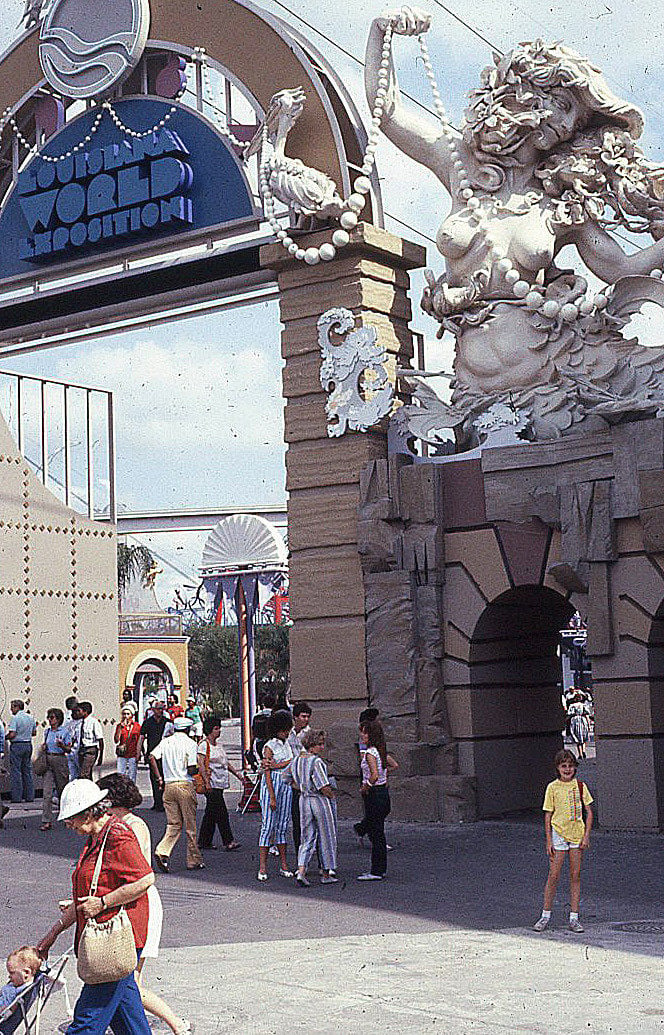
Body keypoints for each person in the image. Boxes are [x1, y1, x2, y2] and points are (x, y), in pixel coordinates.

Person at [365, 12, 664, 443]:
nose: (564, 126)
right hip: (474, 390)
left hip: (557, 373)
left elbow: (619, 269)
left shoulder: (563, 202)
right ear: (524, 92)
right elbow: (387, 110)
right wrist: (381, 33)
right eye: (561, 106)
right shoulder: (460, 167)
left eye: (576, 122)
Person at [35, 779, 154, 1035]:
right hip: (107, 938)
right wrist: (52, 934)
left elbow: (145, 879)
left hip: (116, 940)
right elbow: (85, 896)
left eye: (71, 819)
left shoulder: (117, 834)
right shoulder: (95, 837)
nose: (68, 824)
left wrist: (102, 902)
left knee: (86, 1022)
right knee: (130, 1021)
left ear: (88, 813)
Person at [97, 774, 191, 1035]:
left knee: (130, 981)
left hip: (139, 904)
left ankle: (176, 1025)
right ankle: (169, 1026)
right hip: (125, 902)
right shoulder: (115, 825)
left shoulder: (132, 825)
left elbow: (133, 873)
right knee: (127, 981)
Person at [534, 749, 594, 933]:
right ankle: (545, 915)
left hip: (576, 834)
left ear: (575, 767)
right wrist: (548, 840)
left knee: (575, 875)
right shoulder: (552, 787)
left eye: (570, 766)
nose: (567, 769)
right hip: (559, 834)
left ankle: (574, 917)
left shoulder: (581, 786)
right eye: (563, 766)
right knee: (554, 875)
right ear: (558, 768)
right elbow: (548, 814)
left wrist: (586, 836)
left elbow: (589, 812)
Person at [150, 716, 204, 872]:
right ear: (187, 729)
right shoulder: (191, 744)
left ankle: (162, 850)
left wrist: (159, 777)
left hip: (169, 785)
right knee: (190, 825)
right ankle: (193, 859)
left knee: (174, 824)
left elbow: (152, 757)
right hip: (184, 785)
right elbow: (191, 768)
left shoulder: (166, 742)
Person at [288, 730, 338, 887]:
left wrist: (301, 786)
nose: (322, 747)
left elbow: (286, 778)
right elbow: (323, 785)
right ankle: (326, 872)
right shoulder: (316, 762)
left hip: (303, 799)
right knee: (326, 835)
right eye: (319, 744)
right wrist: (331, 796)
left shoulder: (296, 760)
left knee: (307, 836)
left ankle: (301, 870)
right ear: (312, 745)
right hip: (318, 799)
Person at [357, 720, 398, 881]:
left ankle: (376, 870)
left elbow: (373, 775)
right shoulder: (380, 751)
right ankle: (380, 868)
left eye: (365, 733)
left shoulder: (370, 754)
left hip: (374, 794)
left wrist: (365, 786)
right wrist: (384, 776)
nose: (362, 735)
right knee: (378, 832)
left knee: (376, 834)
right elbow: (393, 766)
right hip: (382, 792)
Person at [257, 709, 294, 882]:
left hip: (285, 785)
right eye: (284, 729)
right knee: (268, 826)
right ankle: (262, 866)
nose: (287, 732)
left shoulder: (286, 744)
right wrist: (271, 796)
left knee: (282, 825)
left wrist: (278, 765)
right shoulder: (269, 746)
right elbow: (267, 772)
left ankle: (284, 864)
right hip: (273, 787)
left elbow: (289, 762)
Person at [197, 715, 242, 852]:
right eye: (216, 729)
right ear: (210, 730)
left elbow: (225, 762)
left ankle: (204, 841)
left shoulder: (219, 746)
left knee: (211, 813)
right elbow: (201, 765)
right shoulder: (204, 746)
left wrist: (237, 774)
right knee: (221, 812)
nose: (219, 731)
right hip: (211, 784)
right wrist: (206, 782)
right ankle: (228, 840)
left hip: (220, 782)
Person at [39, 708, 73, 831]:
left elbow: (69, 749)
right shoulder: (47, 732)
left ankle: (67, 816)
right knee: (47, 793)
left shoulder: (64, 732)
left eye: (52, 718)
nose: (49, 720)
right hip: (49, 759)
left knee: (62, 790)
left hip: (60, 760)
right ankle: (46, 820)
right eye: (48, 717)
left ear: (58, 719)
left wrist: (62, 746)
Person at [137, 700, 172, 811]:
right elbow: (141, 737)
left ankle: (165, 802)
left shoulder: (168, 722)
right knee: (154, 779)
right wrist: (138, 753)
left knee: (165, 777)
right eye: (158, 709)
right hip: (152, 754)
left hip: (165, 754)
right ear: (153, 710)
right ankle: (157, 802)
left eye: (162, 709)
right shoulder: (148, 722)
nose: (160, 711)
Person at [287, 701, 312, 855]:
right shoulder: (288, 733)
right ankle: (299, 853)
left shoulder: (309, 734)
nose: (305, 719)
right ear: (295, 717)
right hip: (291, 779)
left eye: (308, 717)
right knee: (296, 820)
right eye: (303, 716)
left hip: (304, 779)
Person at [0, 946, 42, 1032]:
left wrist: (5, 1012)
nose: (9, 976)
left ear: (26, 973)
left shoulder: (23, 991)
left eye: (12, 973)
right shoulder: (16, 984)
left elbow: (12, 1008)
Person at [353, 707, 379, 842]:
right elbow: (363, 757)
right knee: (372, 811)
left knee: (375, 811)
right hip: (368, 779)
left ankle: (363, 829)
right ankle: (368, 833)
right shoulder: (365, 738)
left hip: (373, 778)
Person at [7, 700, 36, 803]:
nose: (11, 709)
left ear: (17, 707)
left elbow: (12, 734)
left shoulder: (15, 718)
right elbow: (34, 732)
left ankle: (17, 797)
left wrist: (5, 737)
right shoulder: (30, 717)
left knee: (16, 772)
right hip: (28, 744)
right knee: (27, 771)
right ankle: (29, 796)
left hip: (17, 745)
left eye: (12, 707)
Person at [114, 705, 142, 783]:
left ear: (132, 715)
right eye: (124, 714)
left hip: (132, 753)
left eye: (127, 714)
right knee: (120, 774)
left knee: (132, 775)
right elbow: (116, 740)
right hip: (122, 753)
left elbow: (140, 740)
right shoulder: (119, 726)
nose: (125, 716)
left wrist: (139, 753)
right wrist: (120, 728)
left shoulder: (137, 726)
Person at [77, 702, 104, 780]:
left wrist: (100, 756)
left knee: (84, 774)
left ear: (85, 712)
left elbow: (100, 740)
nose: (78, 713)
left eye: (79, 711)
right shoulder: (79, 723)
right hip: (81, 750)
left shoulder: (93, 722)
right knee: (87, 774)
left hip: (90, 750)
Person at [63, 697, 82, 781]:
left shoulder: (63, 717)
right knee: (79, 773)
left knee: (71, 773)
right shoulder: (78, 718)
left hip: (67, 748)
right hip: (76, 749)